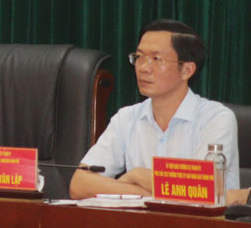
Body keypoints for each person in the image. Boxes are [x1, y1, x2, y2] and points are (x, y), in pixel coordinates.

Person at [70, 19, 240, 199]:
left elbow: (202, 187)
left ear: (187, 70)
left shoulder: (216, 119)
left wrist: (137, 175)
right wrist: (149, 193)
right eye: (139, 57)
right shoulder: (127, 118)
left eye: (156, 59)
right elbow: (80, 184)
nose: (143, 68)